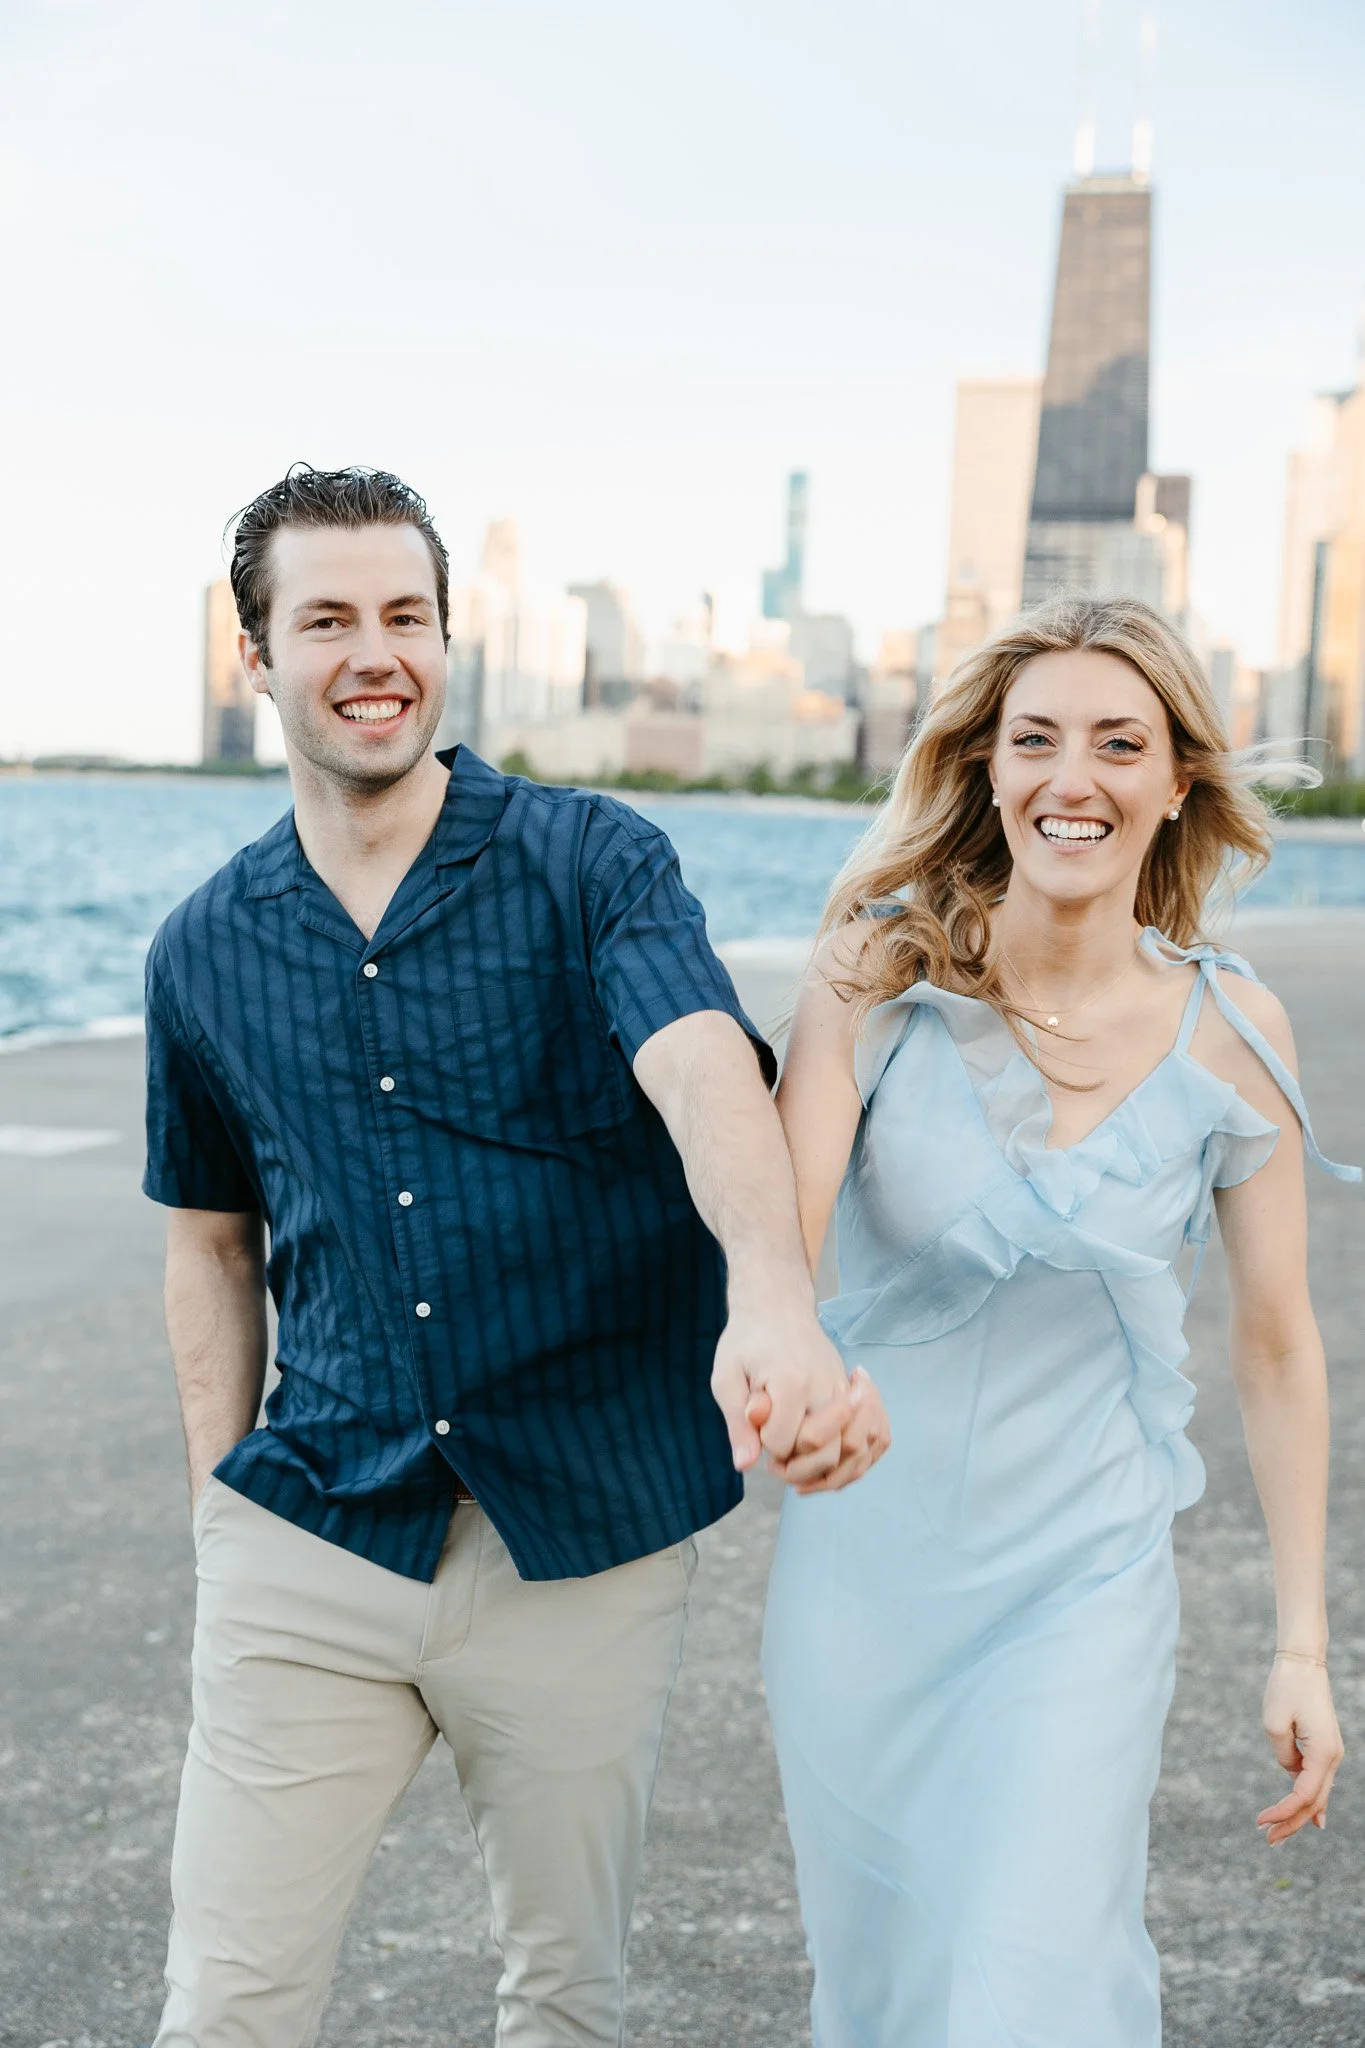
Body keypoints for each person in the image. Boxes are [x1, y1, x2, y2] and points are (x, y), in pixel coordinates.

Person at [141, 464, 888, 2048]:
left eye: (405, 614)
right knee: (224, 2008)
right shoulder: (201, 949)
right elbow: (211, 1238)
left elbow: (701, 1064)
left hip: (586, 1532)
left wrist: (771, 1294)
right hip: (315, 1532)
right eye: (327, 618)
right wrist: (222, 1505)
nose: (374, 652)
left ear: (447, 640)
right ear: (255, 656)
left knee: (566, 2003)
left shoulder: (593, 860)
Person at [761, 593, 1358, 2046]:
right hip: (866, 1584)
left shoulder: (1237, 1028)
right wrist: (800, 1393)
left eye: (1116, 743)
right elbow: (777, 1253)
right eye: (1033, 741)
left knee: (1040, 1982)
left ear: (1176, 784)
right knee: (891, 1991)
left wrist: (1300, 1641)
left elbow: (1275, 1343)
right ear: (985, 770)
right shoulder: (871, 977)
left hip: (1084, 1584)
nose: (1068, 778)